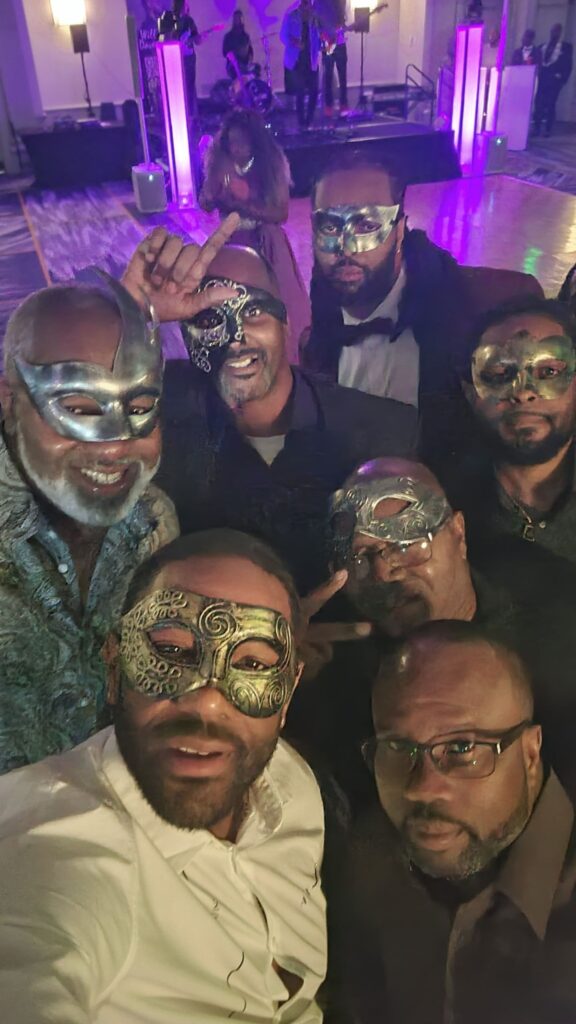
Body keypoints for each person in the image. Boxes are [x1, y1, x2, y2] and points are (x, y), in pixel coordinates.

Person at [0, 529, 328, 1022]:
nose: (208, 702)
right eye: (171, 651)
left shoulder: (288, 782)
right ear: (115, 663)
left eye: (253, 662)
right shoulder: (51, 844)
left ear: (289, 690)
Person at [0, 216, 239, 774]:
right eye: (80, 408)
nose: (114, 445)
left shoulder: (153, 521)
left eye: (139, 408)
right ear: (9, 401)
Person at [288, 456, 576, 806]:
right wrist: (280, 672)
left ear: (458, 534)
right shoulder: (332, 666)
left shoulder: (555, 627)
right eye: (360, 558)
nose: (383, 572)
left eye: (406, 545)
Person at [342, 620, 576, 1024]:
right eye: (398, 746)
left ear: (530, 753)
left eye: (462, 747)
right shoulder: (368, 861)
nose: (422, 789)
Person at [157, 244, 418, 594]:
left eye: (253, 311)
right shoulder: (161, 420)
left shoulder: (381, 434)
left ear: (285, 323)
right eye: (208, 320)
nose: (235, 340)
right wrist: (139, 311)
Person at [302, 153, 542, 468]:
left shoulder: (471, 313)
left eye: (366, 226)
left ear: (400, 230)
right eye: (331, 227)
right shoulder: (318, 331)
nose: (346, 248)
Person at [450, 296, 576, 567]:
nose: (523, 393)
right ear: (469, 391)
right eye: (498, 373)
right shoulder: (442, 503)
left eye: (549, 371)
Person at [200, 109, 311, 364]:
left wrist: (239, 204)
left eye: (241, 142)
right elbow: (205, 202)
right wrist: (212, 195)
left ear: (256, 142)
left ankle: (284, 354)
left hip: (265, 243)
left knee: (276, 300)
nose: (236, 148)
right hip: (231, 242)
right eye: (231, 142)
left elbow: (280, 213)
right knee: (236, 302)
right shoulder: (220, 163)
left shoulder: (271, 165)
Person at [281, 0, 322, 129]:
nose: (307, 8)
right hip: (297, 61)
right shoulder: (291, 15)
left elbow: (319, 37)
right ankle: (301, 122)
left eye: (309, 5)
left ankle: (309, 119)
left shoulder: (315, 18)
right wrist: (294, 42)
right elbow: (283, 36)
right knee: (300, 93)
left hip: (311, 60)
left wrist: (324, 45)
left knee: (314, 91)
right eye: (305, 5)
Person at [157, 0, 202, 116]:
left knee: (190, 87)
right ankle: (180, 113)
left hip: (189, 58)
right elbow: (164, 38)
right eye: (185, 4)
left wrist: (200, 37)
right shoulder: (169, 19)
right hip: (175, 58)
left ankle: (191, 115)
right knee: (178, 88)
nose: (187, 6)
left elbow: (197, 40)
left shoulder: (189, 21)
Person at [533, 23, 573, 136]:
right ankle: (536, 127)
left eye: (557, 31)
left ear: (560, 33)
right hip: (543, 78)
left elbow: (568, 65)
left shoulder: (566, 47)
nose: (554, 33)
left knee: (551, 104)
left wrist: (562, 80)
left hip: (555, 81)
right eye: (553, 31)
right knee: (538, 103)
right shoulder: (543, 46)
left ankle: (548, 129)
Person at [316, 0, 349, 116]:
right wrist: (324, 36)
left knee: (343, 76)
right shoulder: (319, 3)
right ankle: (328, 105)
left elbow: (343, 21)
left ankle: (343, 104)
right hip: (328, 44)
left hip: (340, 43)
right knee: (328, 75)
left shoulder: (341, 2)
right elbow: (316, 22)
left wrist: (342, 26)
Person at [222, 8, 257, 80]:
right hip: (233, 65)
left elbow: (250, 52)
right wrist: (231, 58)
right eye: (236, 18)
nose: (238, 20)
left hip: (245, 64)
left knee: (256, 69)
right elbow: (225, 52)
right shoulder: (228, 36)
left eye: (240, 18)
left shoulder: (246, 36)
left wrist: (249, 62)